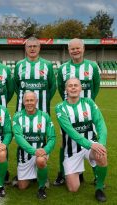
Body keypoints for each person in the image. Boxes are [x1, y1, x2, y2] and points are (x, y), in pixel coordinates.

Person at [54, 38, 101, 186]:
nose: (75, 51)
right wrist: (69, 106)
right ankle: (63, 173)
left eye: (77, 48)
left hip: (87, 112)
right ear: (69, 51)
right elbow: (61, 88)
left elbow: (96, 86)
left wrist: (88, 104)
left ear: (83, 49)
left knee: (94, 140)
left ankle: (97, 176)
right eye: (72, 49)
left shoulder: (92, 66)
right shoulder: (63, 69)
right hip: (68, 112)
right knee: (65, 142)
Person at [55, 78, 108, 202]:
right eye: (70, 86)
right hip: (71, 150)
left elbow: (100, 123)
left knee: (102, 154)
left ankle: (99, 188)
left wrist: (101, 143)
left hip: (91, 145)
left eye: (76, 85)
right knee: (73, 188)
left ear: (80, 88)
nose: (73, 88)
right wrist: (90, 144)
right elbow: (71, 132)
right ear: (66, 89)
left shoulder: (89, 103)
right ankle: (77, 172)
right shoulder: (60, 108)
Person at [12, 91, 56, 199]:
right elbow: (19, 138)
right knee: (22, 187)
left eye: (32, 100)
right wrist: (33, 151)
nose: (29, 103)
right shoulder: (17, 117)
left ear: (36, 101)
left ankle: (41, 187)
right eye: (27, 100)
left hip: (41, 152)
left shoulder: (44, 116)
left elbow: (52, 137)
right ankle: (35, 175)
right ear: (23, 102)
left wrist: (45, 150)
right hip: (25, 155)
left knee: (40, 161)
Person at [14, 37, 56, 114]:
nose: (32, 48)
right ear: (25, 48)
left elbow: (53, 86)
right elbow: (16, 86)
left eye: (35, 46)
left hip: (43, 108)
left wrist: (45, 98)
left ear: (39, 48)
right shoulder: (19, 65)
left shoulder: (47, 64)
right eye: (29, 46)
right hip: (22, 108)